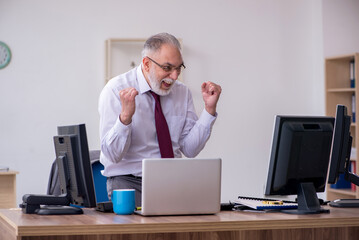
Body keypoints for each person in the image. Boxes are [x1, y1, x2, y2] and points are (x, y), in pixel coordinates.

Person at [98, 32, 222, 206]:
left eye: (179, 68)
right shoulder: (115, 89)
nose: (174, 76)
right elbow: (112, 155)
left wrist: (209, 110)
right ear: (147, 64)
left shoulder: (182, 92)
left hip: (173, 182)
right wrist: (125, 117)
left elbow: (190, 149)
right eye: (167, 68)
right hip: (129, 184)